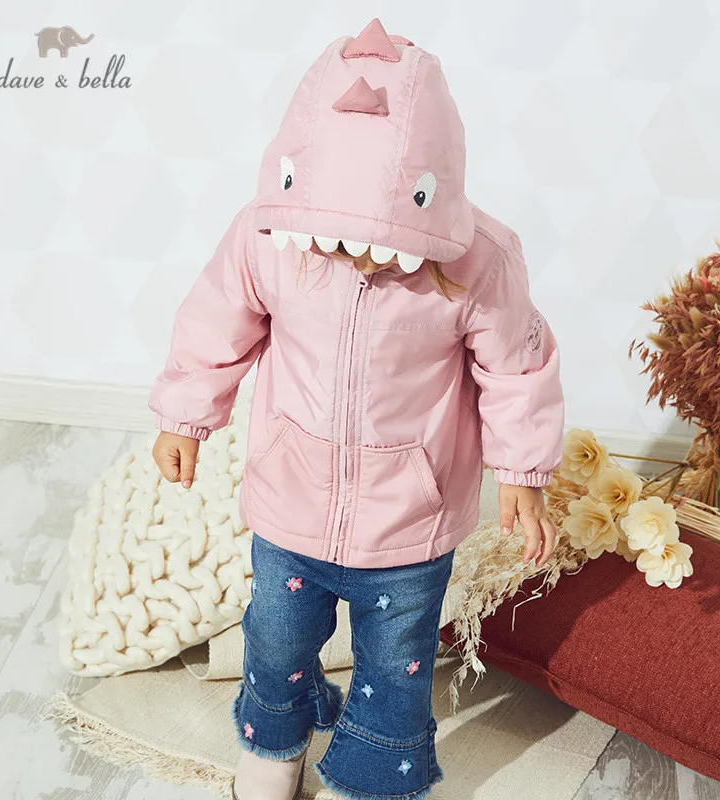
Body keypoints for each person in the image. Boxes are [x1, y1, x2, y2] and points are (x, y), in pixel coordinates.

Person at [149, 17, 565, 800]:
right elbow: (216, 322)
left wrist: (522, 471)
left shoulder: (479, 261)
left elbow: (518, 369)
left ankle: (373, 770)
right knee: (276, 640)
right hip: (291, 500)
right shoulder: (268, 236)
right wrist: (185, 414)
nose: (353, 254)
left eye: (378, 241)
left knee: (394, 666)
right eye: (335, 236)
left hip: (410, 519)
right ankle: (276, 742)